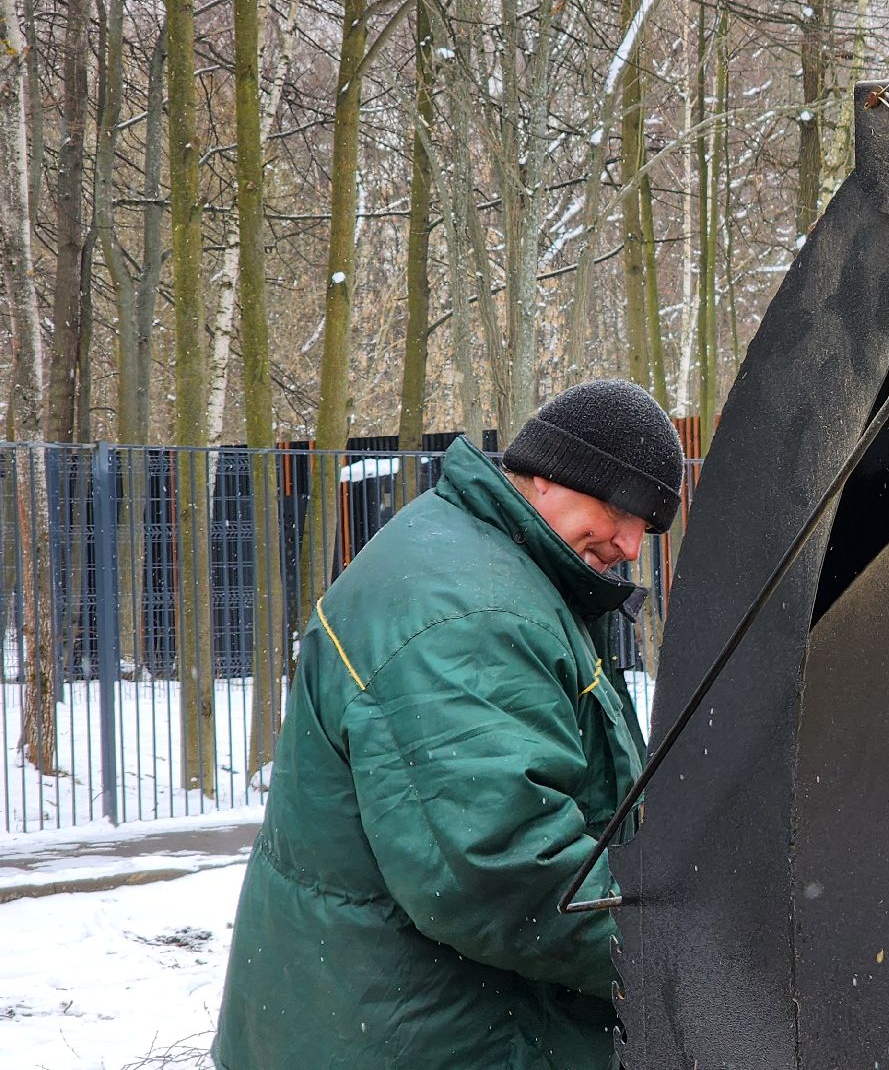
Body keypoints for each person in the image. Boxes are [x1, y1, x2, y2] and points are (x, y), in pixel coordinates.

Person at [214, 380, 684, 1070]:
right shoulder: (473, 614)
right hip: (422, 1037)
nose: (631, 545)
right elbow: (500, 872)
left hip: (386, 1018)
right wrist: (679, 954)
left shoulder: (483, 564)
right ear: (550, 475)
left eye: (648, 526)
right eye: (619, 511)